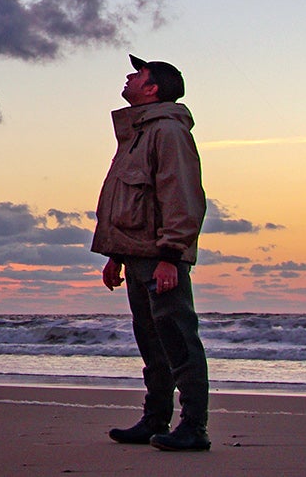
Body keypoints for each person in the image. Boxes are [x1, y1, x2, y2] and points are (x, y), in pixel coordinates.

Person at [92, 54, 210, 452]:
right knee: (151, 342)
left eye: (138, 73)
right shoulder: (137, 134)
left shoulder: (167, 132)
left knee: (178, 339)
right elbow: (130, 201)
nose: (129, 76)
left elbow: (182, 197)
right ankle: (155, 418)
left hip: (161, 259)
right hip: (137, 255)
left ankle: (194, 426)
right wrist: (115, 255)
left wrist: (172, 257)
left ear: (153, 87)